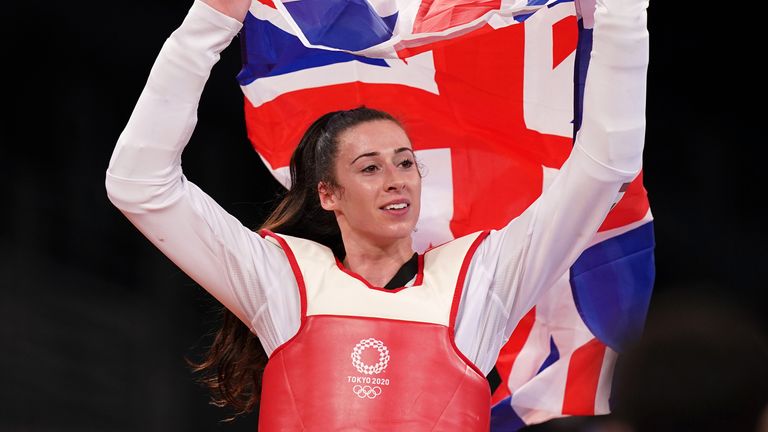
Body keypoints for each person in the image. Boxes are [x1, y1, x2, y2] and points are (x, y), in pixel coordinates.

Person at [105, 0, 649, 429]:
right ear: (328, 194)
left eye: (405, 162)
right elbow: (139, 183)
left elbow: (605, 167)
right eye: (368, 167)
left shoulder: (479, 279)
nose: (396, 178)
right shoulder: (285, 281)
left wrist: (623, 12)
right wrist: (212, 18)